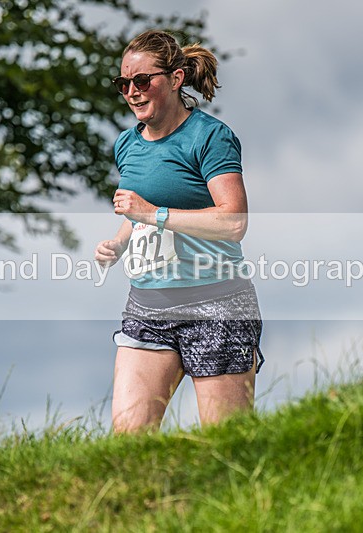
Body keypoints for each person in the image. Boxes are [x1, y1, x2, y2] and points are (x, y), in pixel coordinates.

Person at [94, 29, 263, 433]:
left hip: (218, 305)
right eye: (123, 84)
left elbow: (234, 222)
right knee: (128, 441)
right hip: (148, 307)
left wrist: (154, 214)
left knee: (228, 444)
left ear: (175, 79)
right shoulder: (126, 144)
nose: (132, 92)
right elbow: (137, 214)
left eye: (142, 81)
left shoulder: (210, 137)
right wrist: (119, 242)